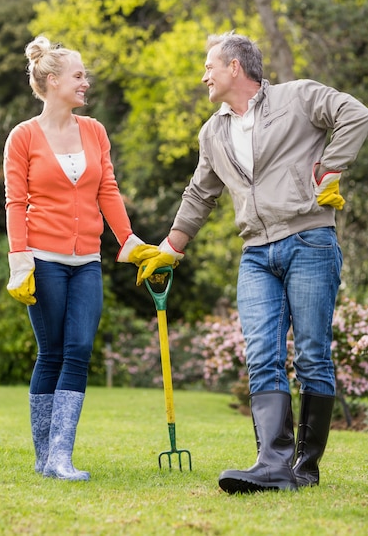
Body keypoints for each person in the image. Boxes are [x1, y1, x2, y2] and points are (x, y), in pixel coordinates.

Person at [140, 32, 368, 494]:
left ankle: (305, 465)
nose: (204, 75)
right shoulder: (214, 131)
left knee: (311, 355)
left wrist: (330, 167)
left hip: (309, 240)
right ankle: (271, 463)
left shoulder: (298, 97)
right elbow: (200, 194)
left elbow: (355, 113)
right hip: (256, 253)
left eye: (210, 66)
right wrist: (171, 247)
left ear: (235, 69)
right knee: (262, 354)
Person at [3, 36, 158, 481]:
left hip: (87, 260)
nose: (85, 82)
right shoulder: (23, 137)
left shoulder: (94, 131)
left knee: (80, 350)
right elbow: (16, 203)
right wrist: (20, 260)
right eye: (78, 75)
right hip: (43, 259)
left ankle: (60, 457)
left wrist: (127, 240)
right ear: (52, 82)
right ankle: (44, 456)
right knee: (51, 353)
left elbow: (106, 189)